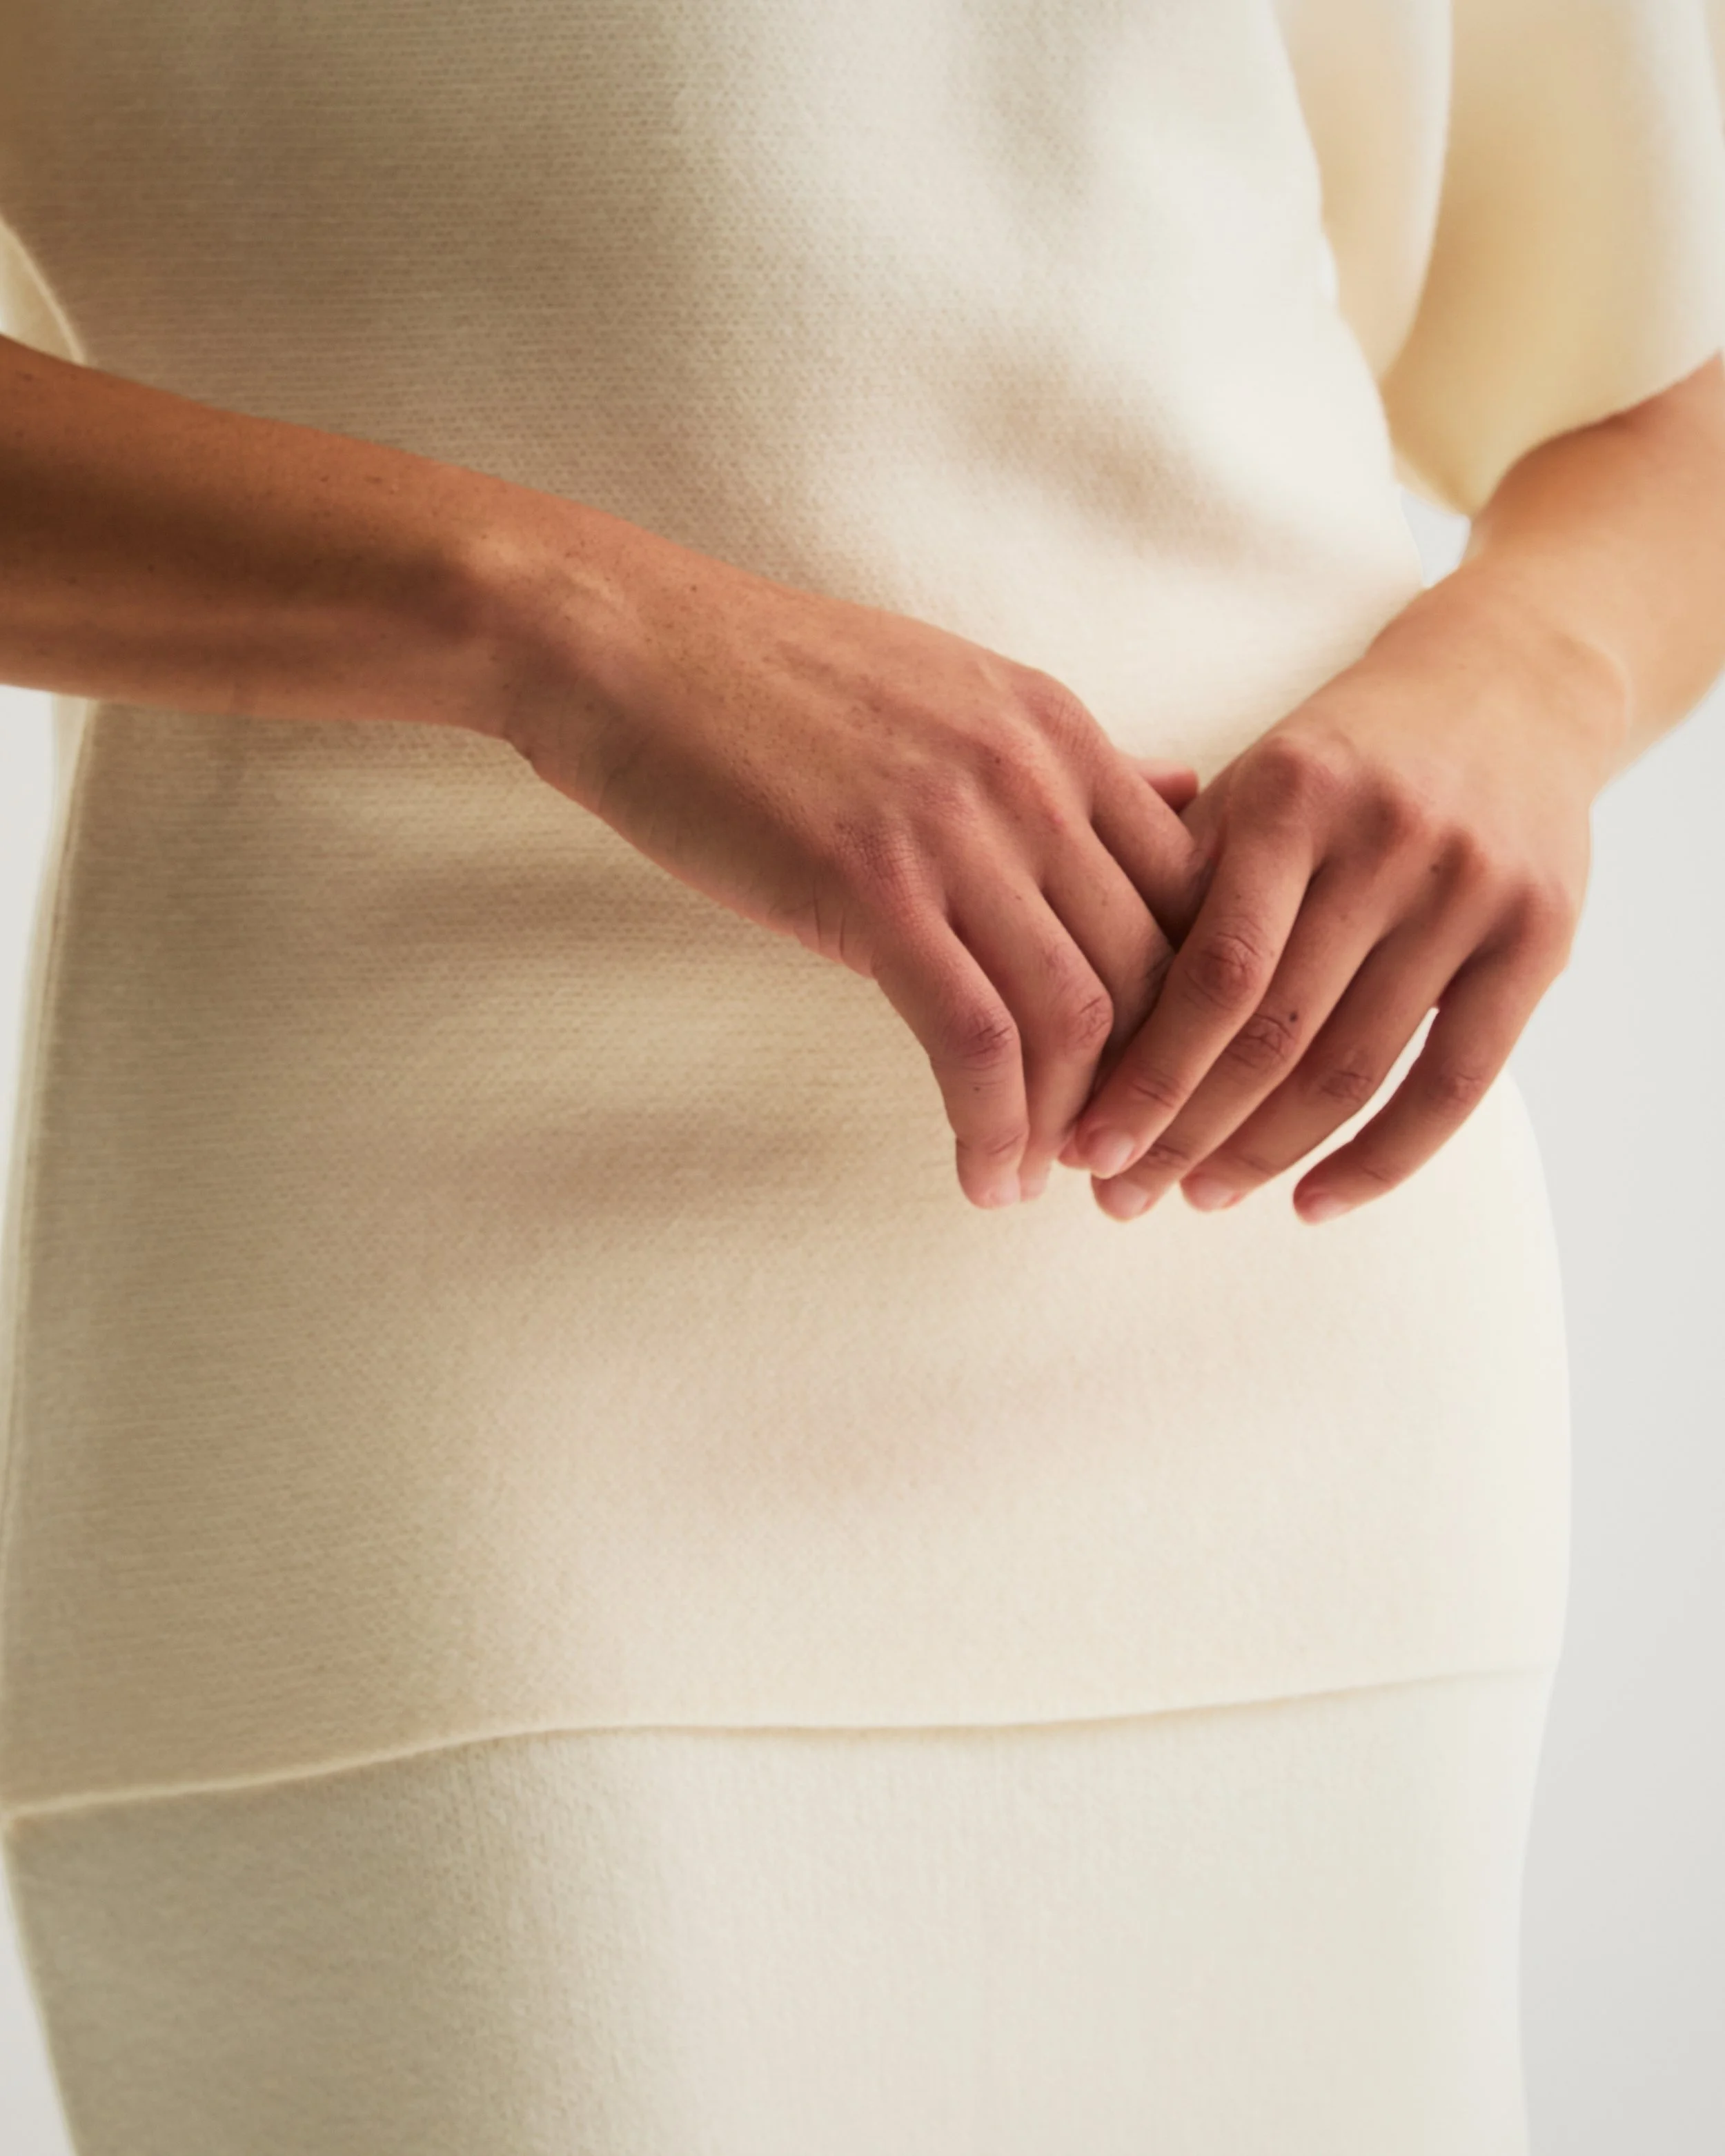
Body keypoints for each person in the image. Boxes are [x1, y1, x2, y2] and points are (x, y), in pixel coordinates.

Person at [1, 2, 1723, 2149]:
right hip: (437, 1377)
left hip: (1267, 1327)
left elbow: (1662, 389)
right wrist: (555, 624)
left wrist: (1531, 677)